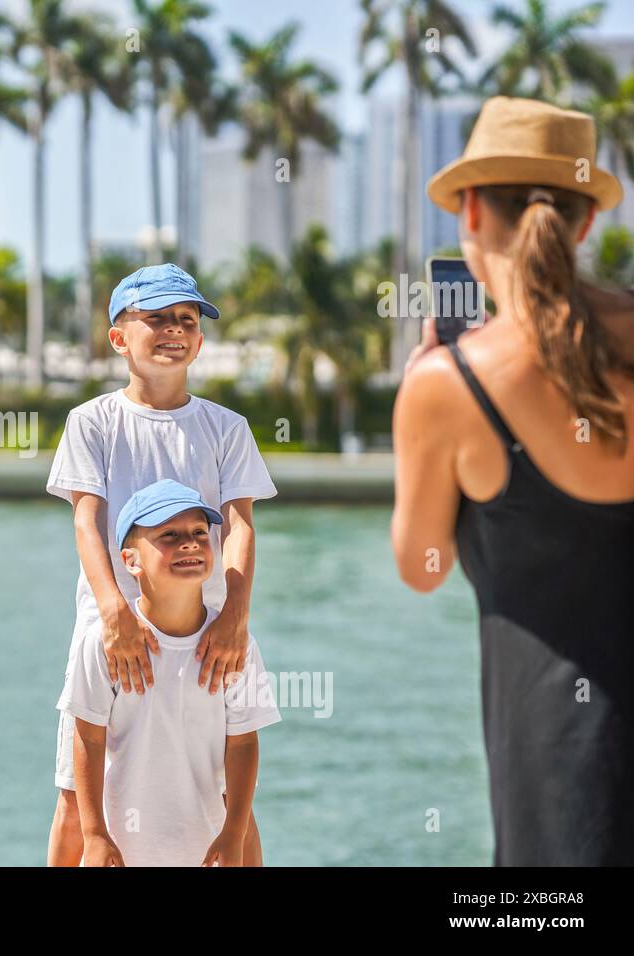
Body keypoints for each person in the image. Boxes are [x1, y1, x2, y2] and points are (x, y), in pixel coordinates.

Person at [393, 96, 634, 865]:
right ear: (584, 220)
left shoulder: (451, 384)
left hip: (558, 776)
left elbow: (420, 568)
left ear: (470, 211)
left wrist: (422, 402)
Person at [45, 263, 278, 866]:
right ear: (120, 337)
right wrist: (114, 612)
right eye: (157, 319)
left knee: (230, 795)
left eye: (187, 320)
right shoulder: (92, 422)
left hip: (207, 632)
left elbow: (242, 525)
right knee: (78, 795)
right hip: (111, 630)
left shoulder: (226, 428)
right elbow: (86, 521)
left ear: (200, 340)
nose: (175, 330)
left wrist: (236, 617)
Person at [61, 479, 281, 866]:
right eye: (169, 535)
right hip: (123, 853)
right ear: (130, 560)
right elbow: (88, 738)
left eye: (199, 533)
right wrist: (94, 834)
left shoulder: (234, 647)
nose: (190, 543)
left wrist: (234, 832)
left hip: (206, 849)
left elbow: (244, 743)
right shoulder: (102, 644)